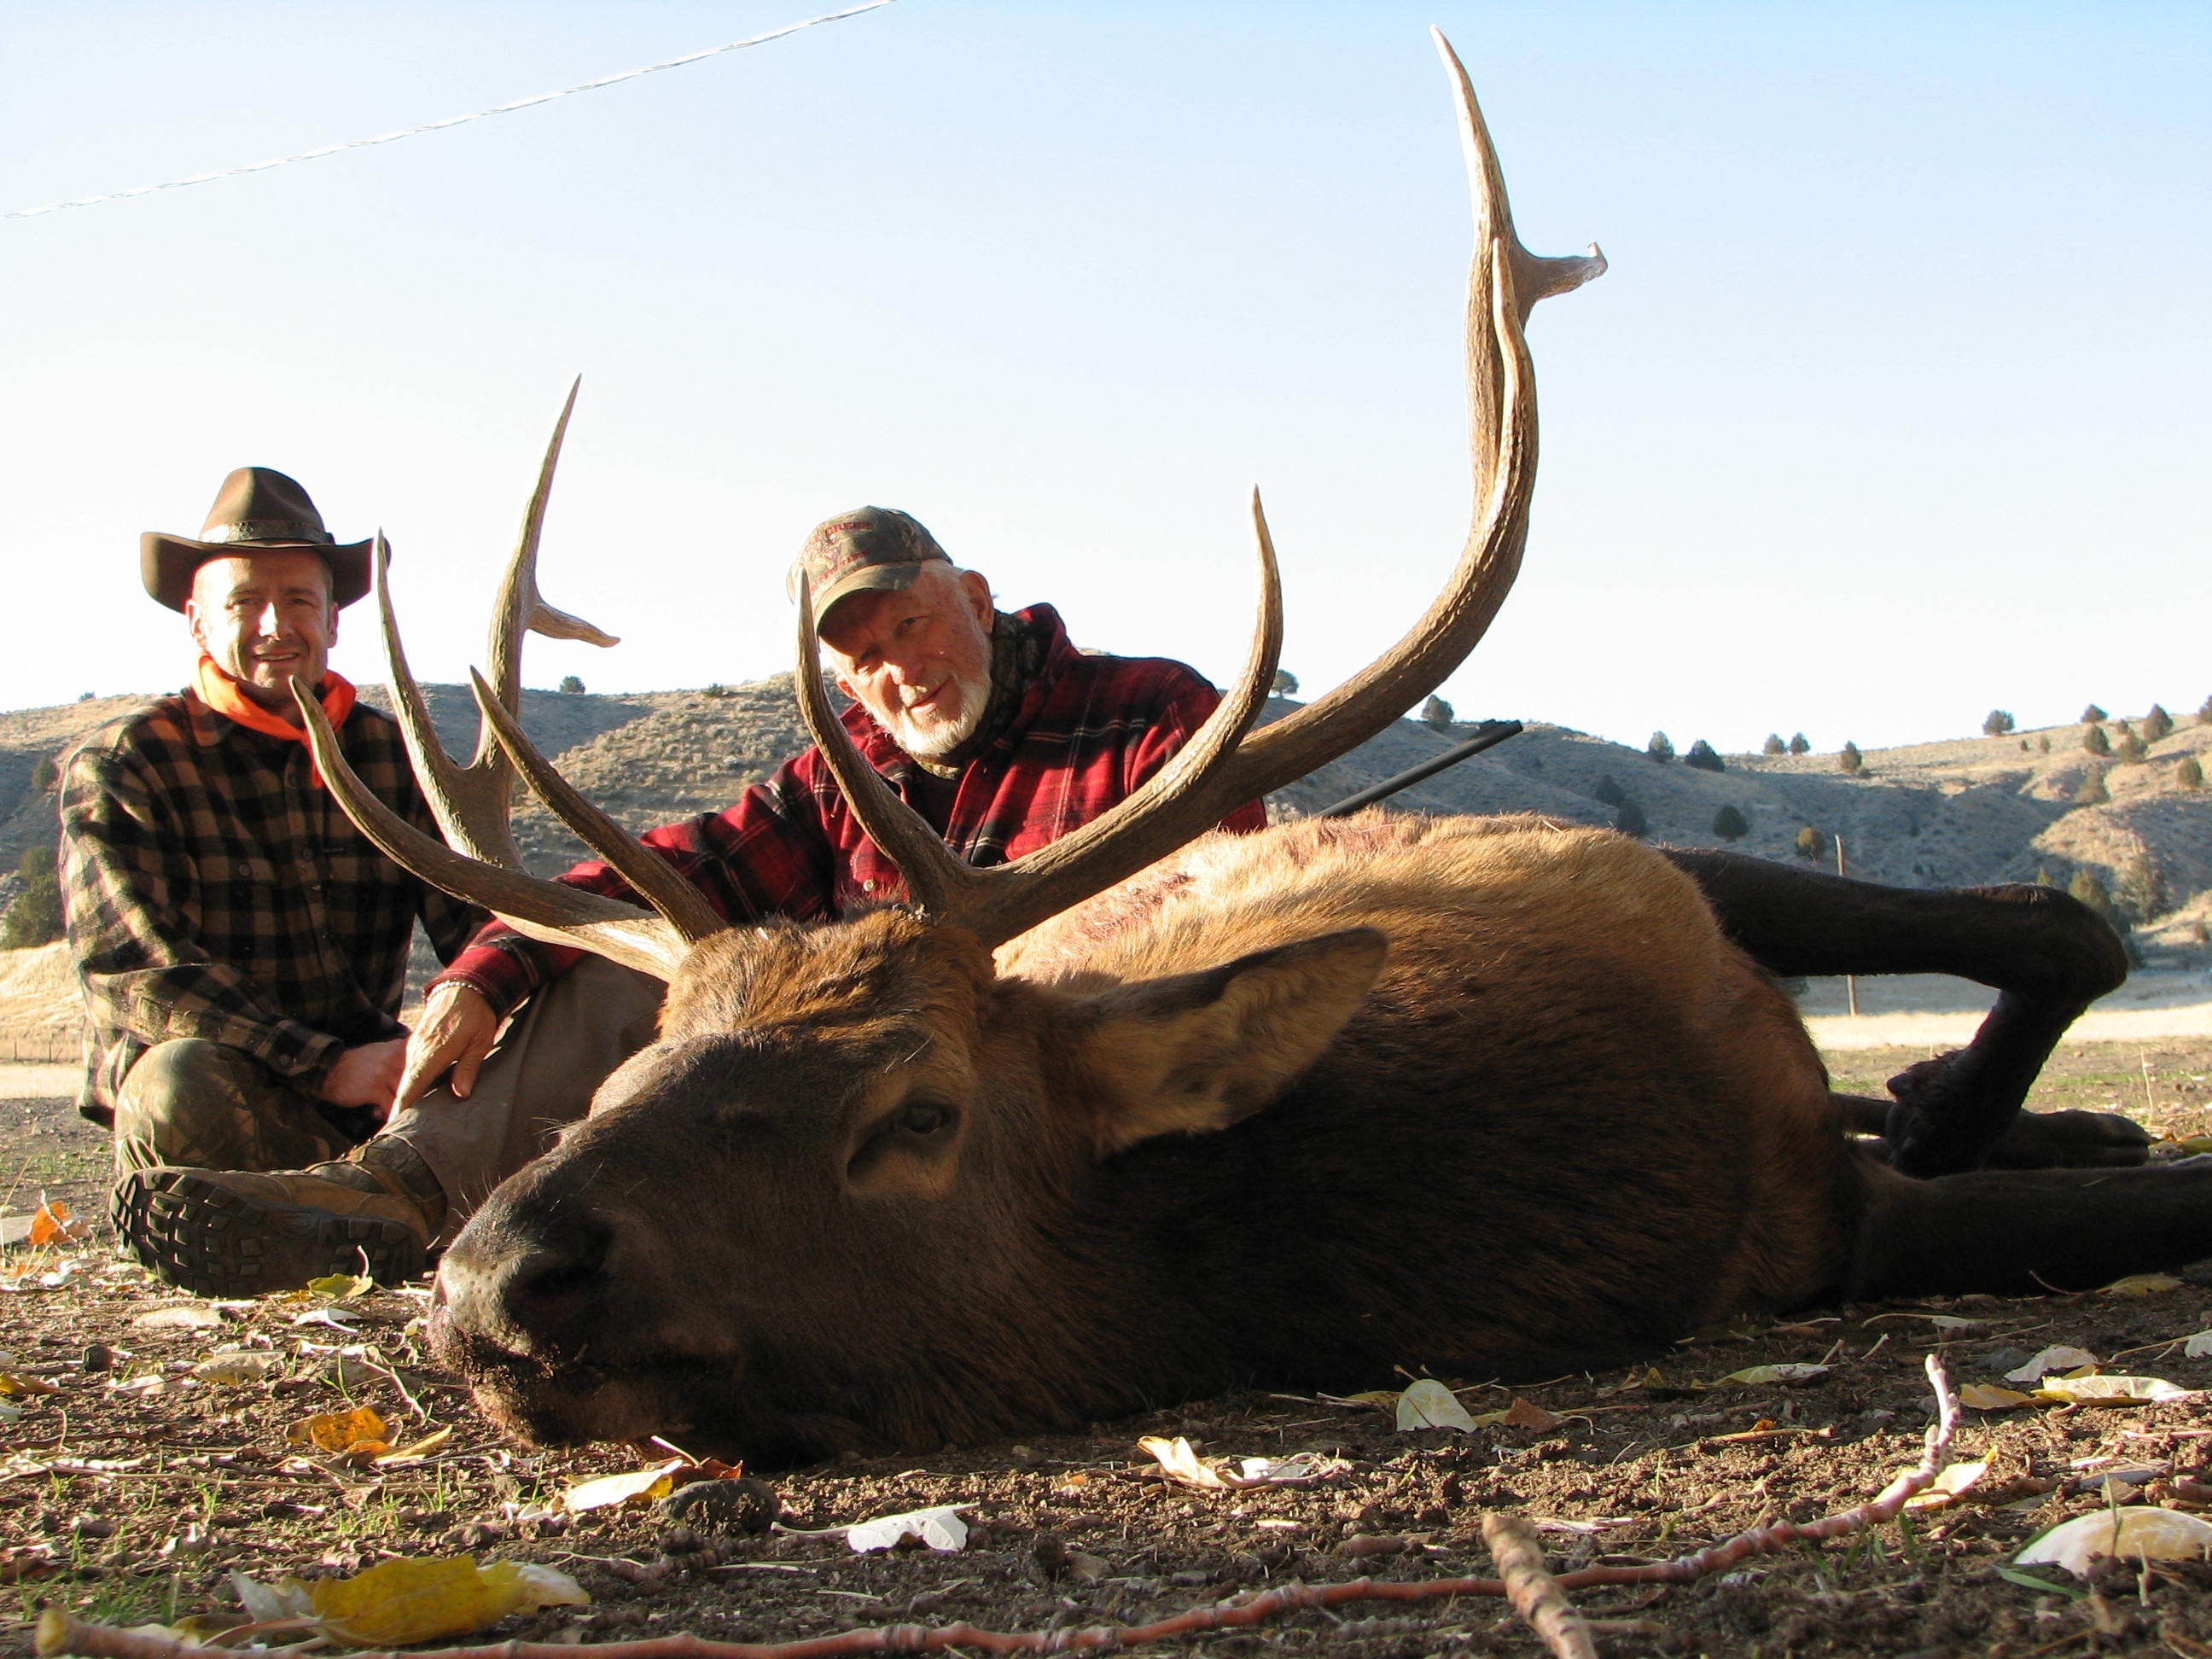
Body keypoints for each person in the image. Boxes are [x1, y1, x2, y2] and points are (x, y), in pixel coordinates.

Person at [113, 506, 1267, 1294]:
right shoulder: (846, 772)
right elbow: (677, 865)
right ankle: (393, 1196)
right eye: (859, 657)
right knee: (640, 955)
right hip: (838, 1128)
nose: (896, 669)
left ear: (971, 597)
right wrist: (488, 969)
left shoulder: (1151, 712)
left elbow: (1219, 906)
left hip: (1043, 1114)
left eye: (910, 625)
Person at [67, 468, 486, 1290]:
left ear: (332, 618)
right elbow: (136, 973)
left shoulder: (393, 757)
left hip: (370, 1099)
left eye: (298, 600)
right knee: (178, 1082)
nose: (274, 625)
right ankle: (338, 1223)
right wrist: (325, 1062)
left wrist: (477, 1010)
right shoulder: (128, 763)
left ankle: (365, 1216)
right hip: (230, 1091)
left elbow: (475, 920)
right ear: (197, 620)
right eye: (244, 602)